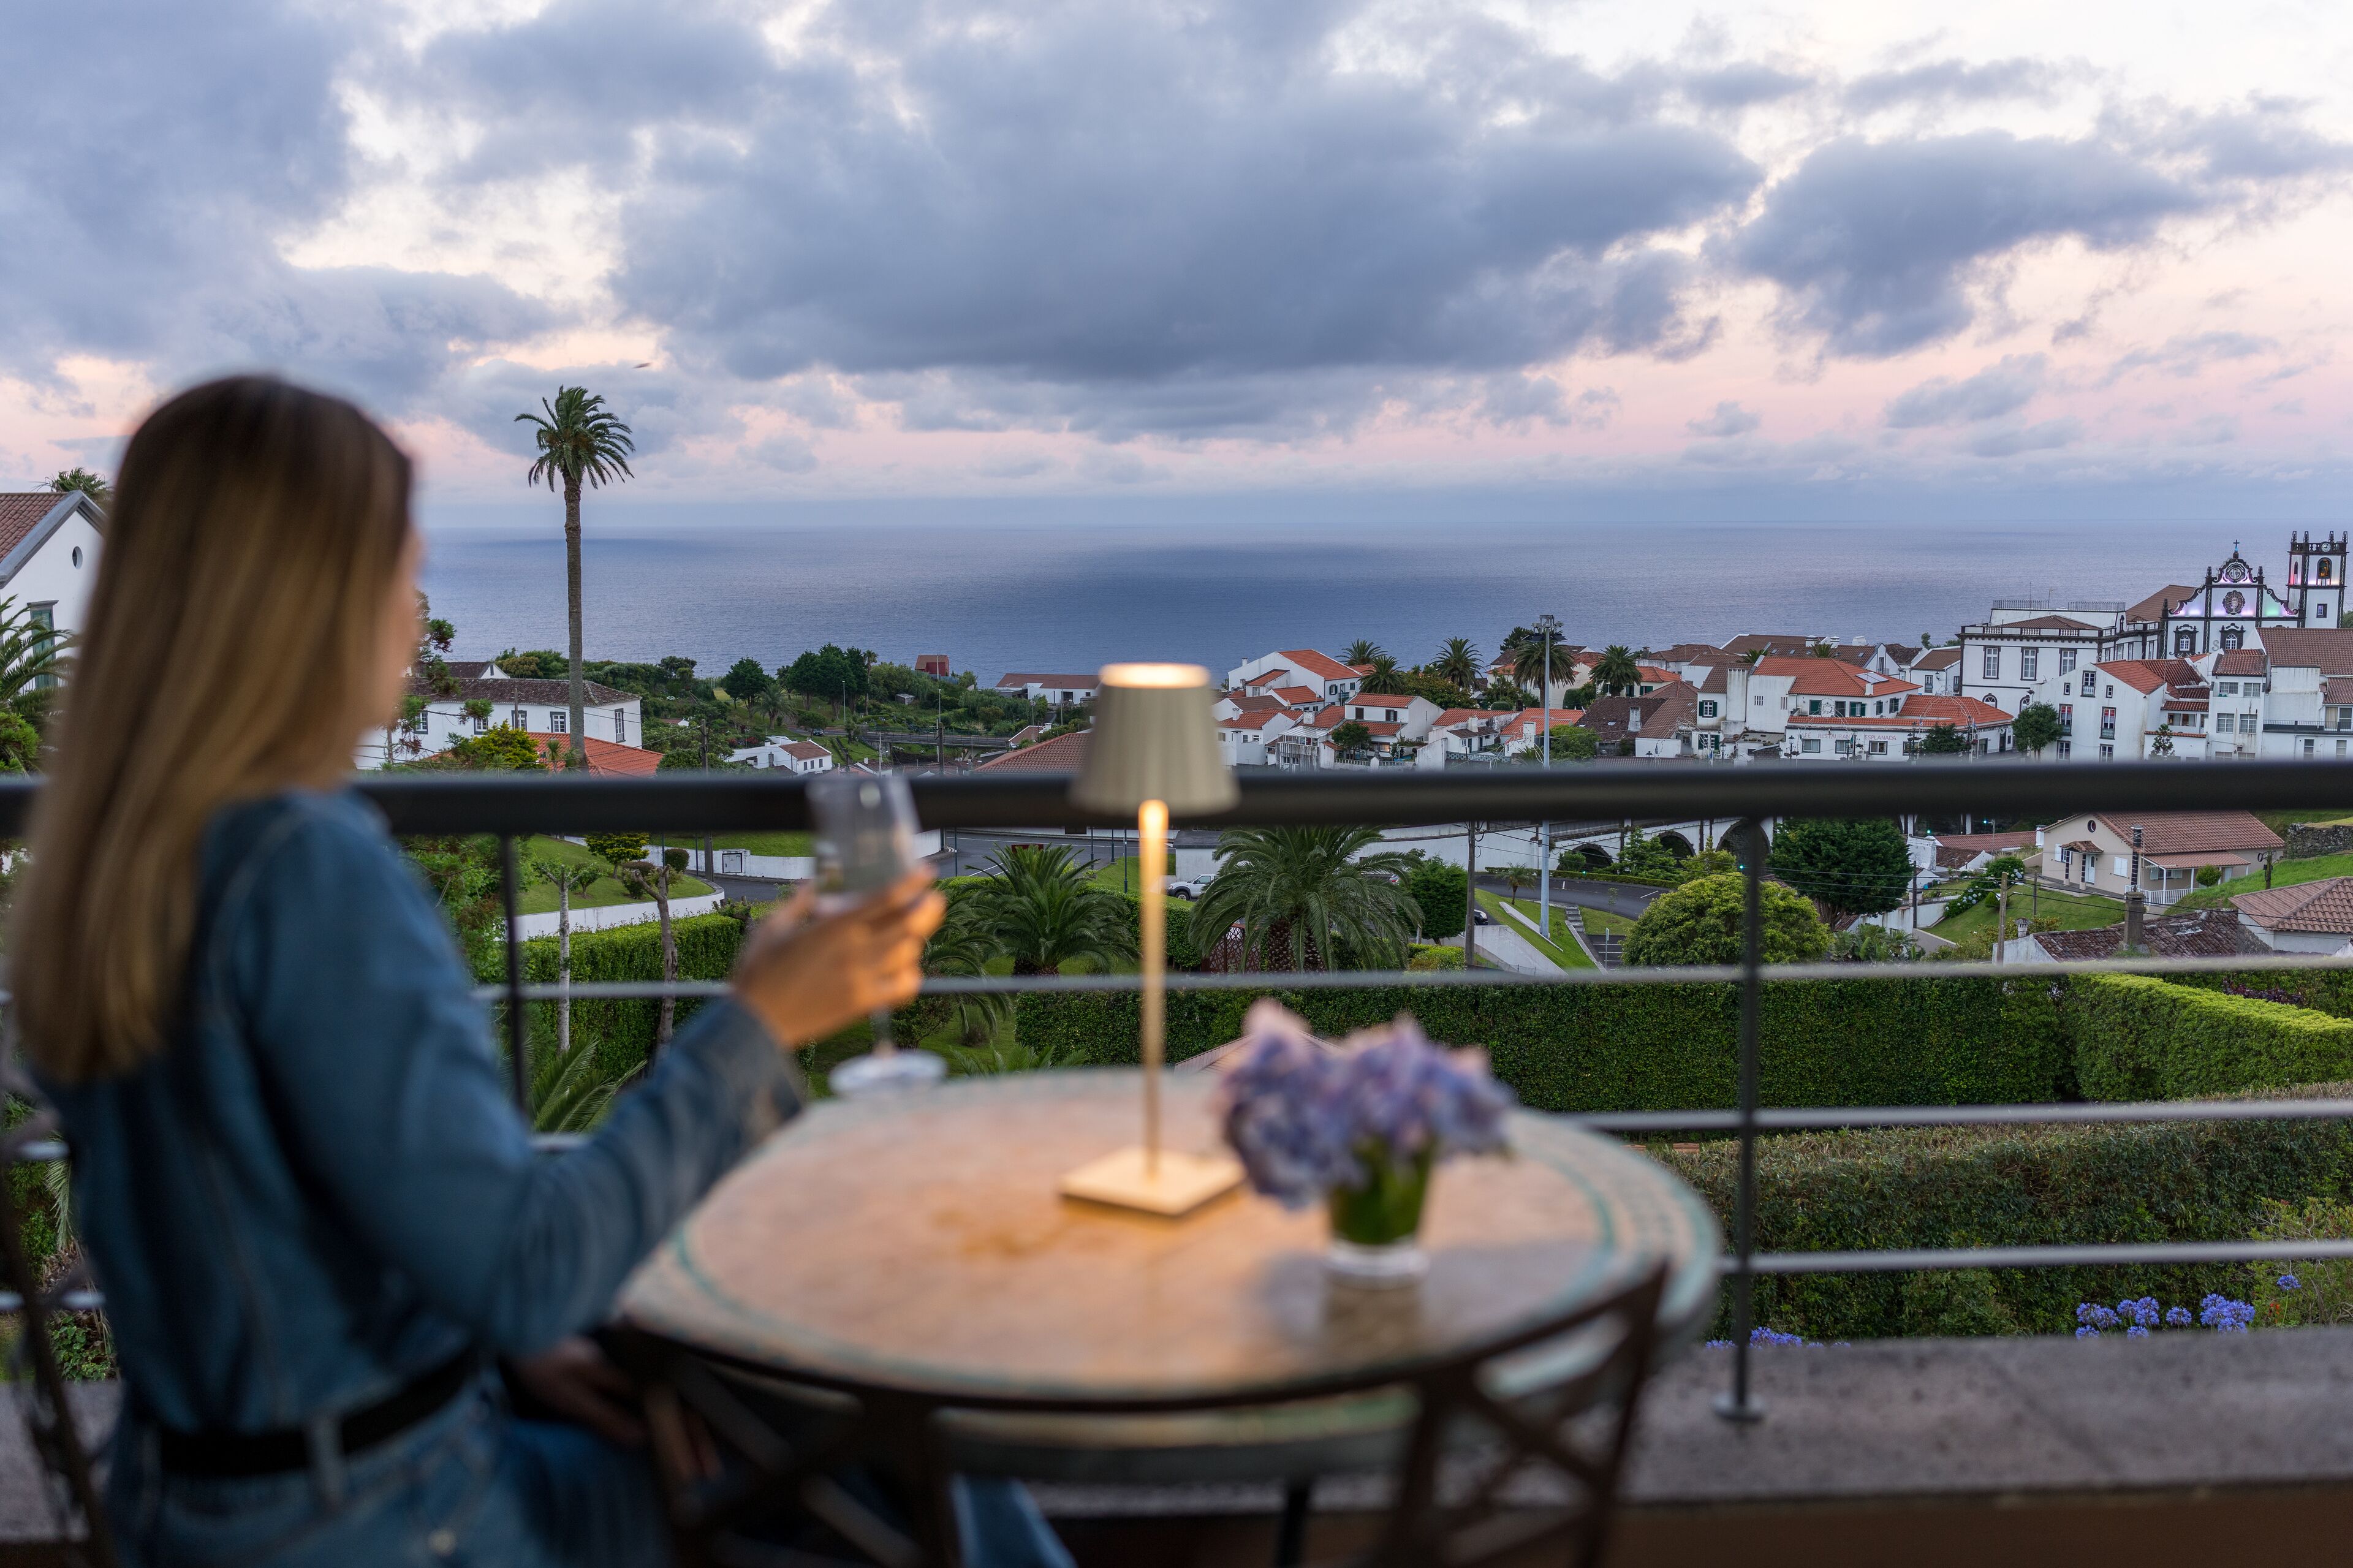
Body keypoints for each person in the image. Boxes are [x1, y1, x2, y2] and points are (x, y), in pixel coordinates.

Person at [10, 377, 1069, 1567]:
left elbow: (284, 1221)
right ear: (309, 604)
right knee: (923, 1473)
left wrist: (501, 1351)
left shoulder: (120, 857)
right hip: (395, 1520)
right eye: (398, 569)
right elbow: (534, 1266)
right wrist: (761, 1018)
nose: (414, 612)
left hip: (203, 1499)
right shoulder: (303, 871)